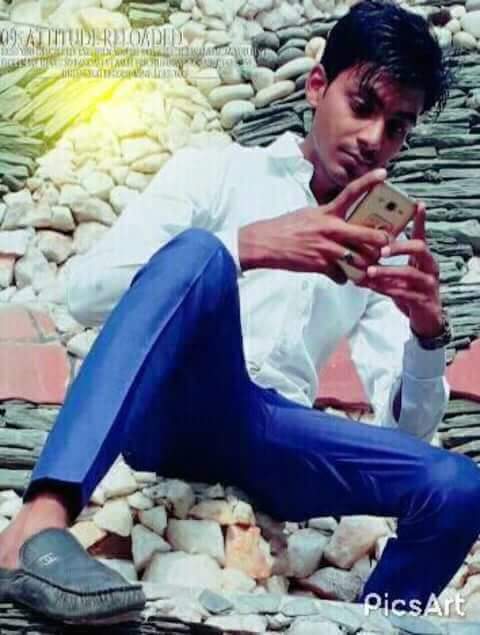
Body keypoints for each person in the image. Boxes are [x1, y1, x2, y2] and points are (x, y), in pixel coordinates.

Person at [0, 0, 478, 624]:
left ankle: (375, 623)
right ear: (316, 86)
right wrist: (249, 247)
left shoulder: (376, 242)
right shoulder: (218, 169)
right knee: (199, 253)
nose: (373, 140)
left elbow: (408, 433)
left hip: (278, 436)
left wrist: (427, 332)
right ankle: (34, 529)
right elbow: (86, 292)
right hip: (179, 408)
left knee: (459, 487)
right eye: (362, 106)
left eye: (397, 127)